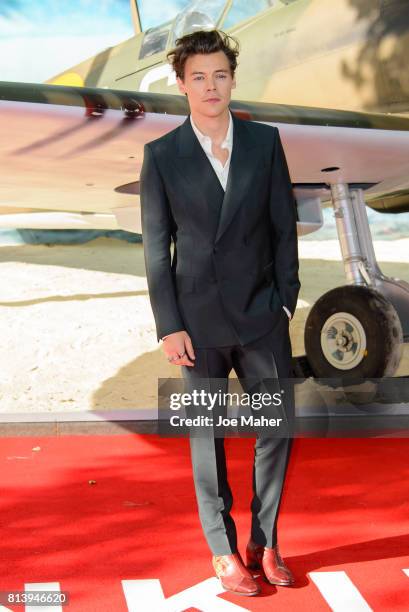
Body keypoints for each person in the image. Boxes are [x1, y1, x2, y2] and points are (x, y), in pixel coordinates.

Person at [140, 29, 300, 597]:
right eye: (199, 77)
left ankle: (267, 540)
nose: (211, 87)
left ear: (233, 79)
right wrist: (168, 324)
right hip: (196, 323)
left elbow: (284, 225)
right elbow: (158, 248)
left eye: (221, 75)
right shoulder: (161, 155)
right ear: (181, 85)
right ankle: (222, 550)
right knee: (205, 434)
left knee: (276, 428)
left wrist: (286, 297)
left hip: (262, 315)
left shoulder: (265, 141)